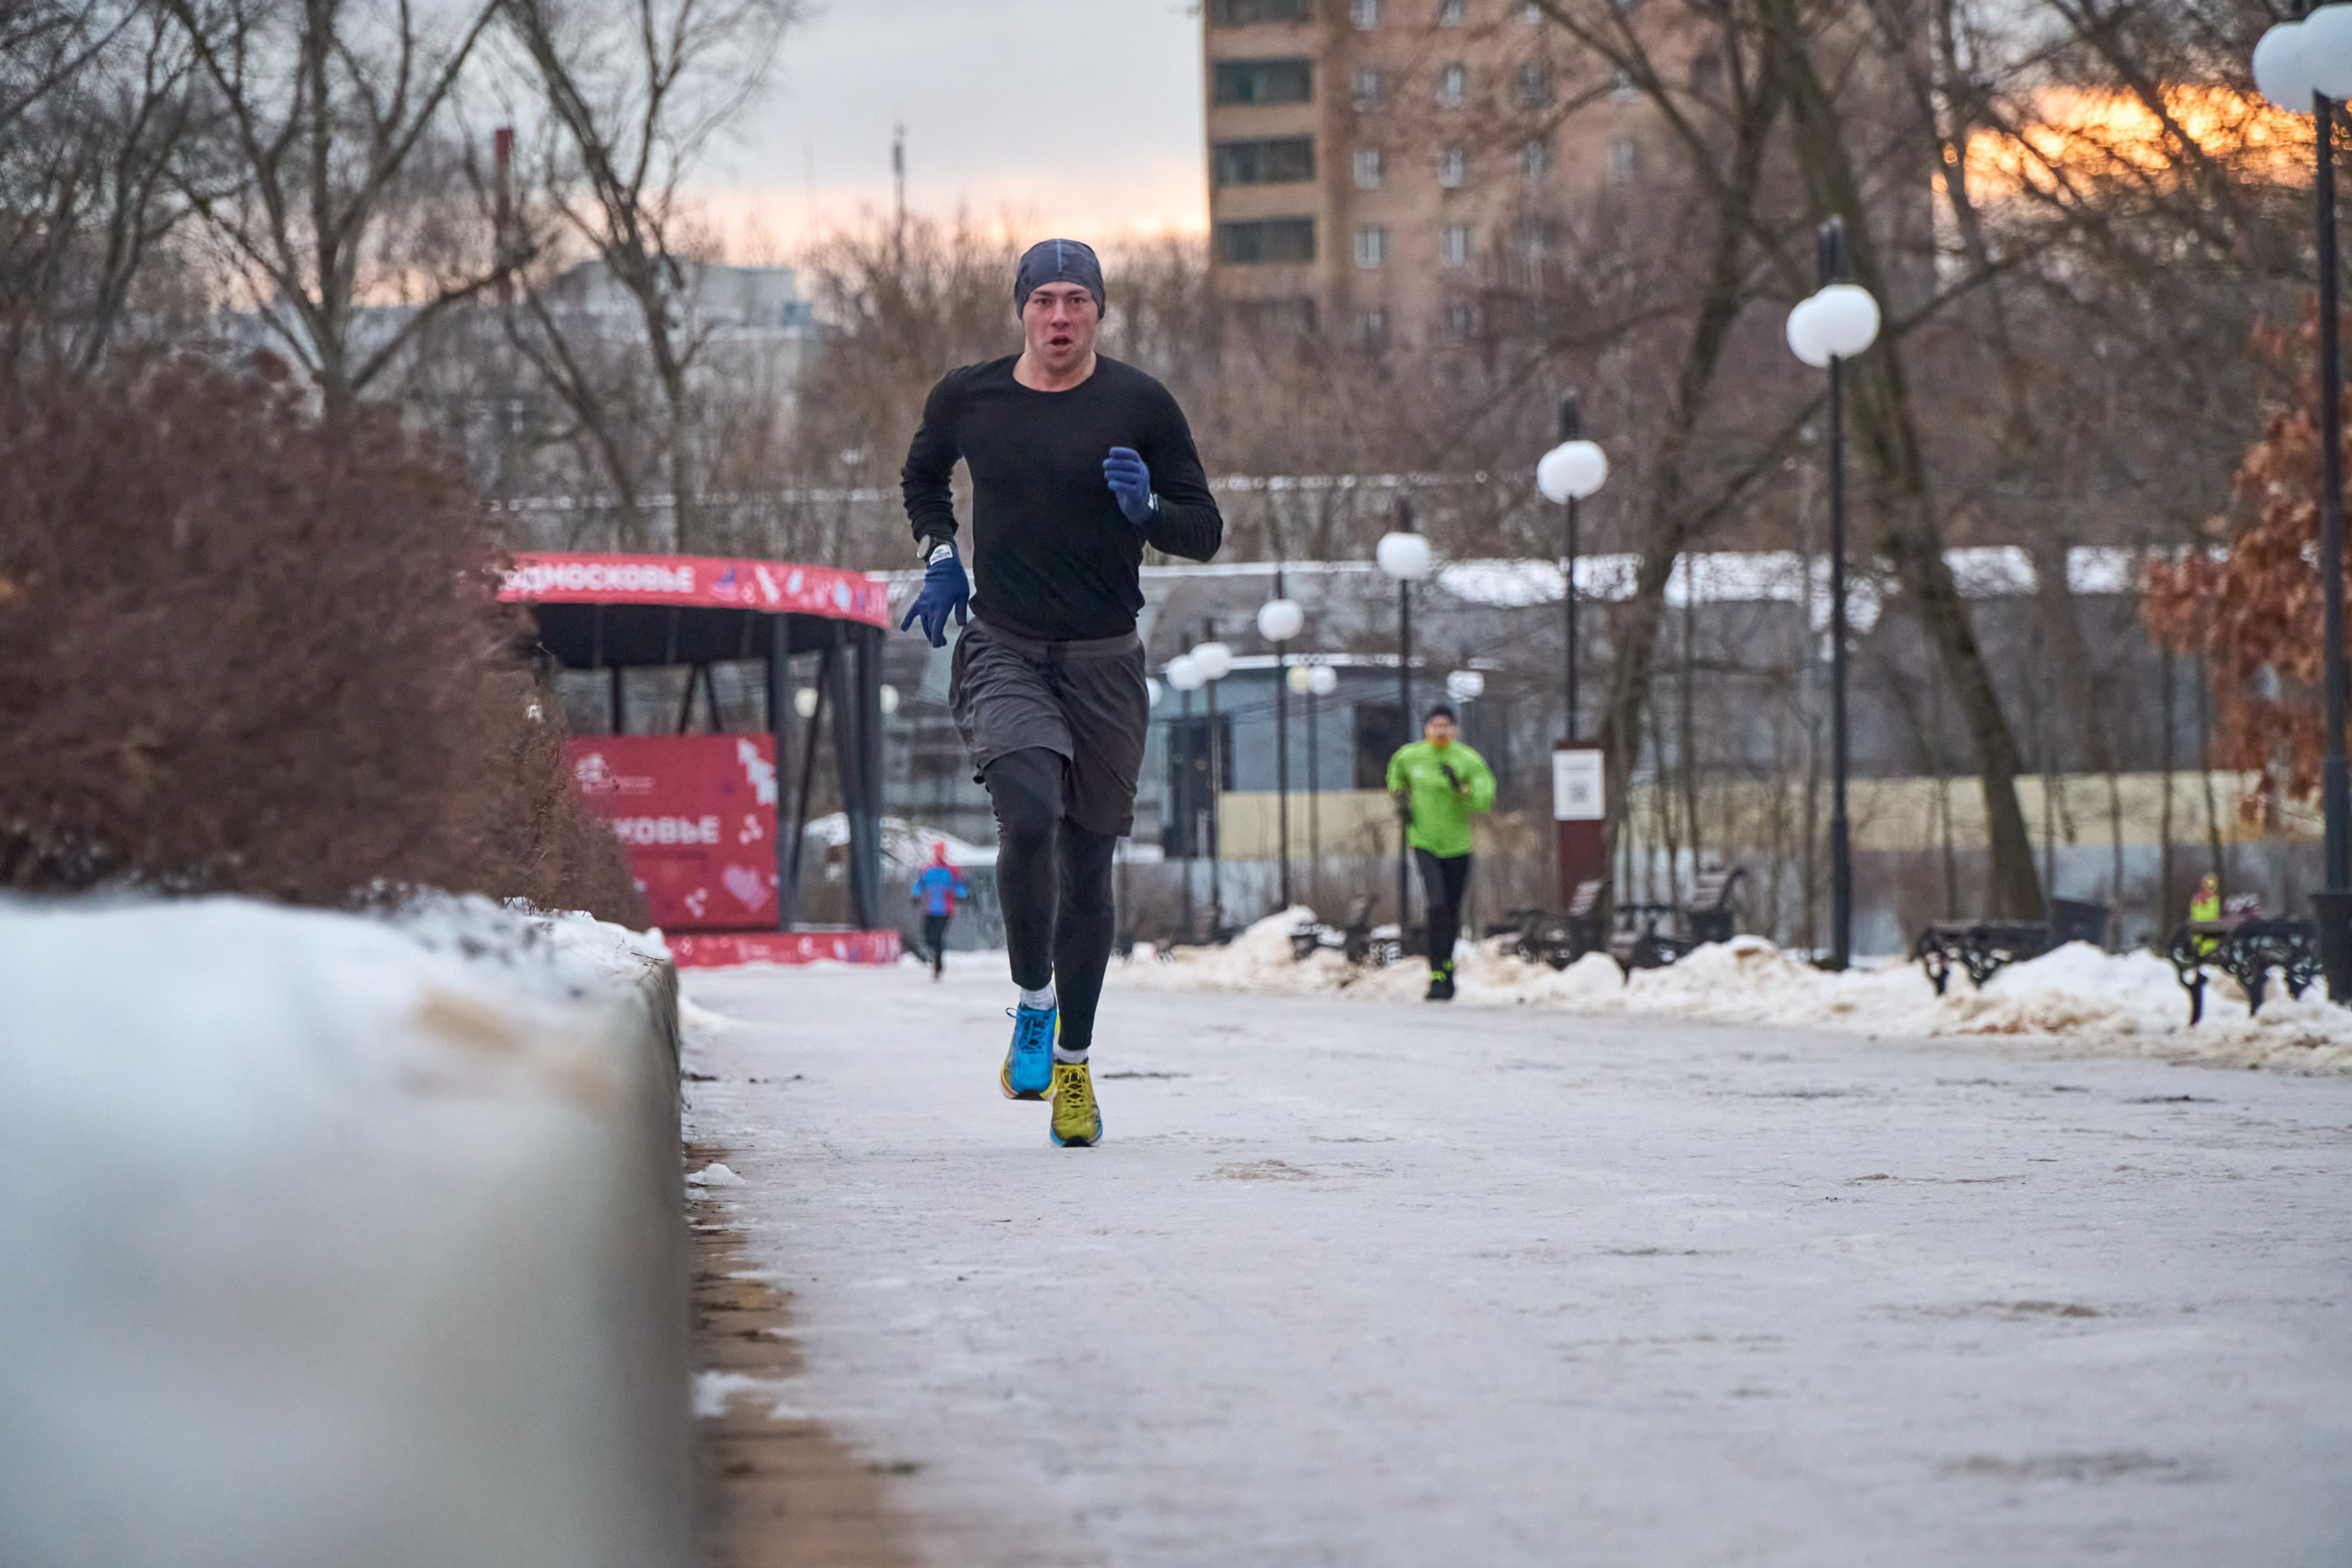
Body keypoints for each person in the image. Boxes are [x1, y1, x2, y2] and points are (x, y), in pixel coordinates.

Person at [898, 237, 1223, 1147]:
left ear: (1099, 311)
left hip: (1106, 661)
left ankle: (1073, 1067)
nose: (1060, 316)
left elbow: (1205, 529)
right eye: (1044, 299)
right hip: (1004, 646)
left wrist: (1149, 512)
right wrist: (940, 554)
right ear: (1022, 309)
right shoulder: (970, 397)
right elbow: (923, 476)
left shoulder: (1140, 404)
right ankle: (1032, 1001)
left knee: (1086, 867)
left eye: (1077, 299)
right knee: (1030, 810)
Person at [1386, 704, 1496, 1002]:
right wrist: (1400, 798)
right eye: (1434, 725)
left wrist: (1460, 787)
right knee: (1436, 905)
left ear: (1454, 729)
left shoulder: (1467, 759)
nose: (1440, 731)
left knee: (1451, 908)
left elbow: (1483, 800)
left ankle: (1447, 967)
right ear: (1426, 729)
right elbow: (1395, 774)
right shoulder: (1411, 756)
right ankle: (1436, 972)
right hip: (1424, 841)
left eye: (1445, 725)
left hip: (1458, 845)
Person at [910, 841, 969, 981]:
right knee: (928, 936)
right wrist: (915, 895)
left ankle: (938, 967)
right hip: (930, 909)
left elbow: (958, 885)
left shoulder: (951, 869)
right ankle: (932, 957)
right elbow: (920, 883)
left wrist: (962, 895)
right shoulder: (927, 869)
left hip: (945, 910)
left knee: (937, 937)